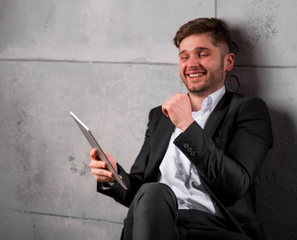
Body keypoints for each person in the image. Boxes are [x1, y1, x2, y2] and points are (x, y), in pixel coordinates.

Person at [89, 17, 273, 240]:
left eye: (202, 54)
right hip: (154, 219)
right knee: (153, 191)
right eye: (184, 56)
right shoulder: (159, 116)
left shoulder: (247, 110)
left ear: (228, 62)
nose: (191, 63)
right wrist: (113, 177)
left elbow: (235, 185)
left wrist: (187, 125)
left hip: (212, 227)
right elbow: (138, 191)